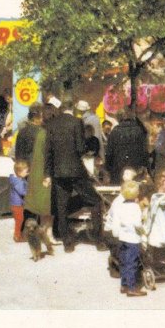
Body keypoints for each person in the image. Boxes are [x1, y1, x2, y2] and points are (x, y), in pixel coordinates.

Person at [43, 98, 104, 253]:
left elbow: (48, 152)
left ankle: (67, 243)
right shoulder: (77, 122)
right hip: (76, 170)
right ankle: (98, 239)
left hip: (58, 172)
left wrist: (47, 173)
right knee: (95, 201)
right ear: (73, 109)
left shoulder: (51, 124)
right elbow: (80, 148)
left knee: (61, 206)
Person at [24, 104, 55, 247]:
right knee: (46, 205)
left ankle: (47, 233)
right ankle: (47, 233)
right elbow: (47, 156)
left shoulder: (42, 132)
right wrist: (47, 175)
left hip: (39, 172)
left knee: (45, 205)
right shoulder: (46, 133)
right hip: (45, 173)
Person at [113, 180, 148, 297]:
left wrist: (116, 234)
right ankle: (132, 288)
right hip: (133, 239)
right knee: (132, 263)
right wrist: (144, 232)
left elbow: (116, 222)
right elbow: (137, 225)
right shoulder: (135, 208)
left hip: (122, 238)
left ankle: (124, 285)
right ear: (137, 194)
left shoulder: (120, 206)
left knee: (124, 262)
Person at [104, 110, 148, 184]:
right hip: (135, 164)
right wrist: (144, 164)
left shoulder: (115, 131)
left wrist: (108, 167)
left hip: (118, 165)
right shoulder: (138, 130)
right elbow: (143, 149)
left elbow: (109, 151)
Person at [9, 160, 29, 242]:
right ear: (19, 172)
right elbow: (22, 192)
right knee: (19, 220)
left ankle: (18, 235)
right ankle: (17, 236)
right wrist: (29, 192)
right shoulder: (18, 181)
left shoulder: (18, 180)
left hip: (16, 204)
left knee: (19, 220)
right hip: (17, 204)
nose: (28, 173)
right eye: (26, 171)